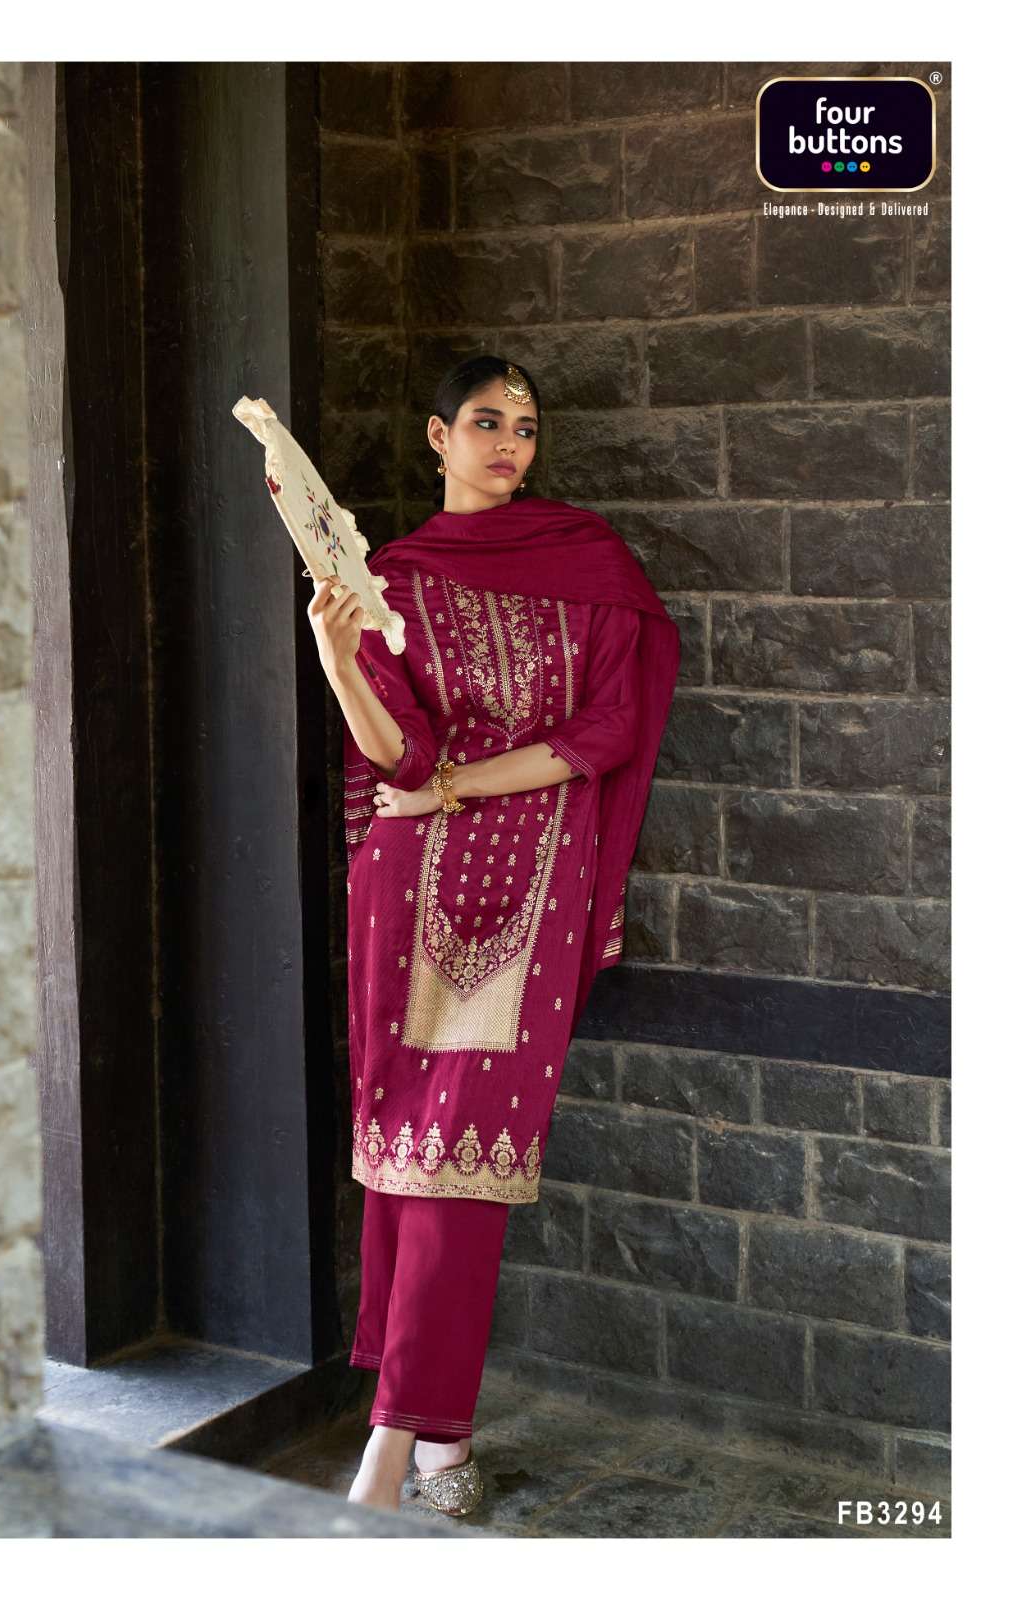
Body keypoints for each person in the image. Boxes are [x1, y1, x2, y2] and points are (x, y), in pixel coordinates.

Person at [307, 356, 680, 1516]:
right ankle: (440, 1445)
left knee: (460, 1161)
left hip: (532, 893)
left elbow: (609, 727)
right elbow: (395, 757)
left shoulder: (588, 564)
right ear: (437, 435)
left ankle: (384, 1447)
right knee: (404, 1155)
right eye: (485, 421)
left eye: (523, 425)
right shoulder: (393, 580)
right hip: (408, 890)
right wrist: (336, 659)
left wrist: (459, 783)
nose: (509, 442)